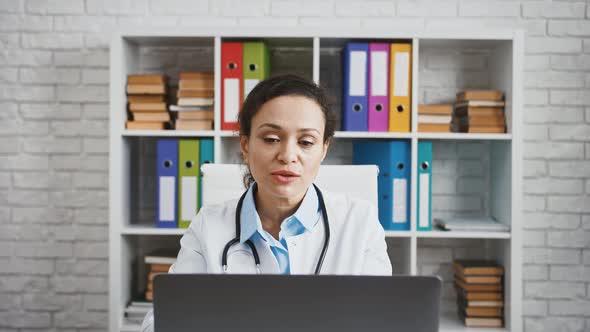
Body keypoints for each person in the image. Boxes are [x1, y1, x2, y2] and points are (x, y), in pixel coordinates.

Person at [140, 74, 391, 331]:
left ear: (324, 149)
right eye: (271, 139)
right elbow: (161, 320)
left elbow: (383, 319)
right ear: (245, 143)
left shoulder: (360, 222)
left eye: (306, 142)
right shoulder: (209, 224)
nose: (287, 156)